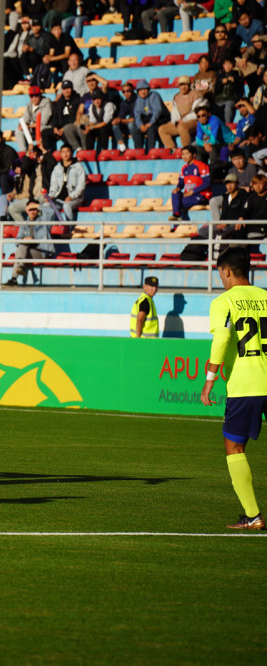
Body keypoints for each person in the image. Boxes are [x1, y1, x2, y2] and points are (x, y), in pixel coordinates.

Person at [200, 247, 266, 530]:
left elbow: (223, 337)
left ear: (226, 270)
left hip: (246, 384)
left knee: (234, 446)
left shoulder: (224, 301)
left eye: (220, 273)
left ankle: (253, 515)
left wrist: (210, 377)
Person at [4, 202, 53, 287]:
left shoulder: (44, 221)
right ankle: (16, 274)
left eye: (34, 209)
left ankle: (15, 277)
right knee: (22, 245)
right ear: (27, 211)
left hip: (41, 251)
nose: (32, 212)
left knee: (19, 253)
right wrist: (24, 239)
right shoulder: (24, 224)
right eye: (30, 209)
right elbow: (17, 241)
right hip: (27, 253)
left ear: (38, 210)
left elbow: (51, 212)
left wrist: (36, 205)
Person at [169, 145, 211, 222]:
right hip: (188, 196)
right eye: (183, 154)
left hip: (201, 195)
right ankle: (176, 215)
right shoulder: (184, 168)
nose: (184, 156)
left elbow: (207, 182)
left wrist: (192, 192)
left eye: (187, 154)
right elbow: (181, 181)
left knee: (177, 203)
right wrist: (178, 187)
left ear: (194, 155)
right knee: (175, 193)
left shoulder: (201, 166)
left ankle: (176, 224)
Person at [47, 144, 86, 221]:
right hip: (59, 198)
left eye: (68, 151)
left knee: (67, 205)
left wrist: (71, 196)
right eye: (63, 152)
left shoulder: (78, 167)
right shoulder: (57, 168)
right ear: (60, 154)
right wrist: (51, 195)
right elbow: (54, 184)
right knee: (46, 205)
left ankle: (69, 229)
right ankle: (46, 230)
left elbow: (81, 185)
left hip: (75, 199)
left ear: (71, 153)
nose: (65, 154)